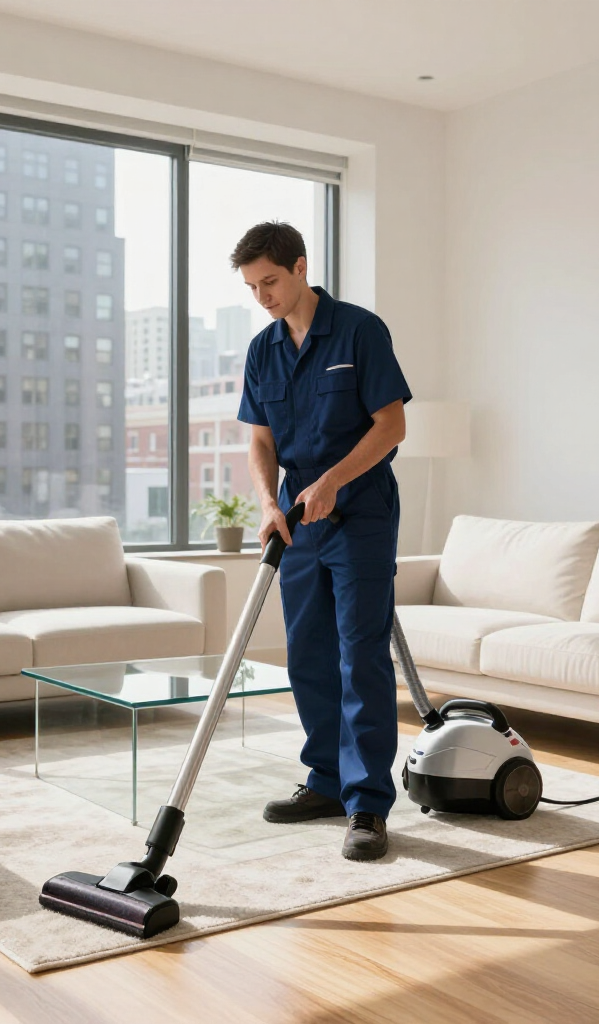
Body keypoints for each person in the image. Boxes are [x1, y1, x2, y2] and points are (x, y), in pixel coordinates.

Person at [233, 221, 411, 861]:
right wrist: (267, 503)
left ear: (301, 267)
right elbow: (260, 439)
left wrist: (335, 480)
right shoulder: (262, 350)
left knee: (359, 653)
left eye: (271, 281)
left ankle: (367, 805)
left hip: (359, 507)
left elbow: (391, 424)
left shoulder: (360, 331)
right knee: (306, 651)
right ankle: (327, 783)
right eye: (253, 287)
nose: (264, 296)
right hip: (297, 516)